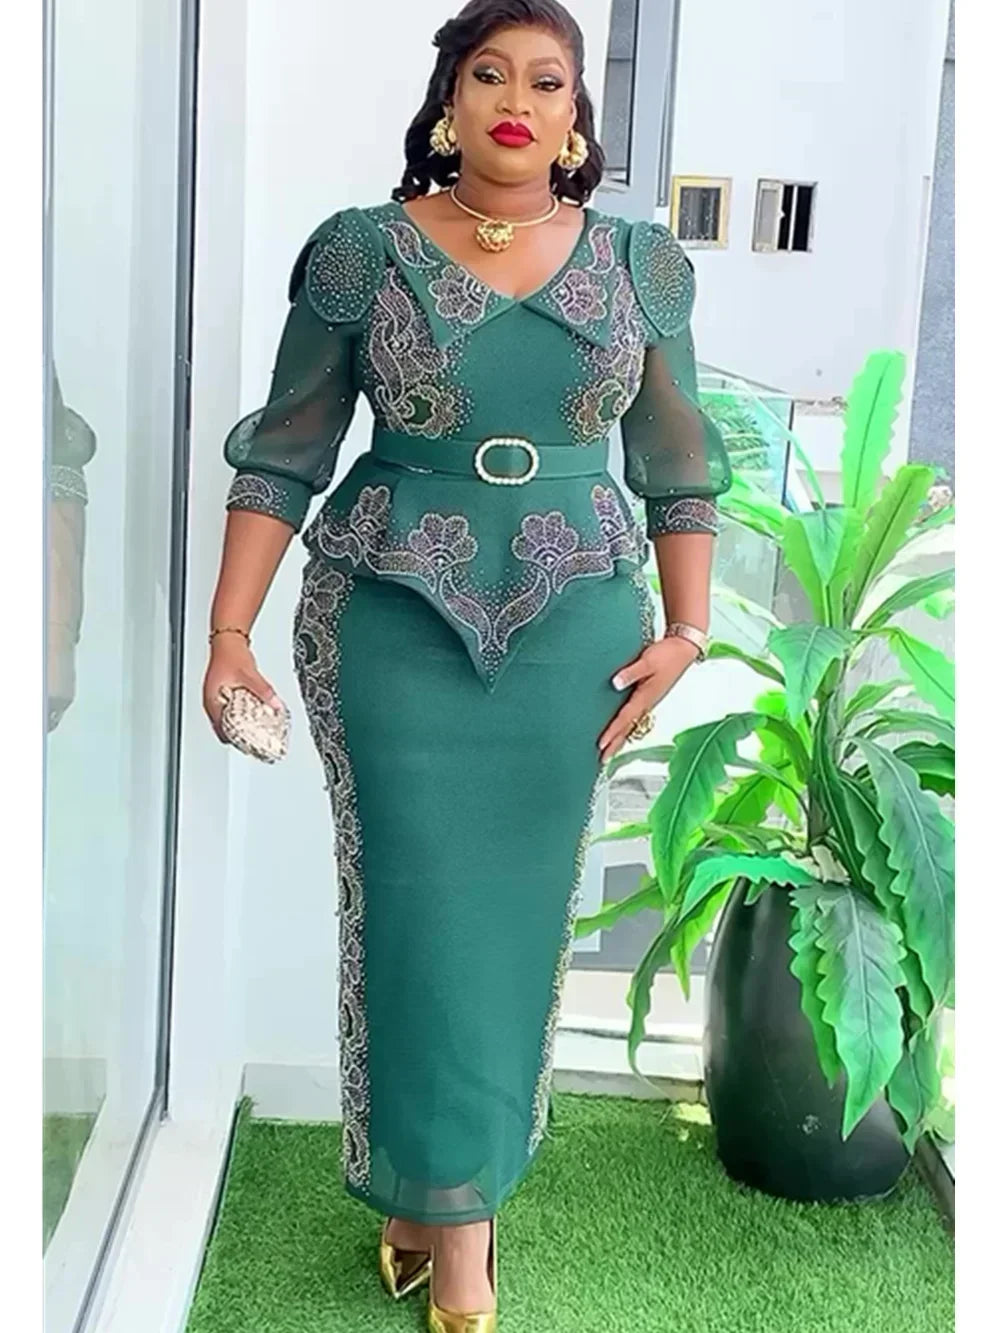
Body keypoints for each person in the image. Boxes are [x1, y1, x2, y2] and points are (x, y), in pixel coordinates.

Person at [202, 1, 731, 1327]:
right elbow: (287, 449)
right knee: (411, 915)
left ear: (576, 120)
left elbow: (677, 460)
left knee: (510, 924)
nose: (516, 100)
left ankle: (440, 1203)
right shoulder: (361, 252)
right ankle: (453, 1223)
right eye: (488, 75)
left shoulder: (642, 266)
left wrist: (687, 631)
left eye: (548, 81)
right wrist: (229, 633)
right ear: (447, 106)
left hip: (575, 636)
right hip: (386, 619)